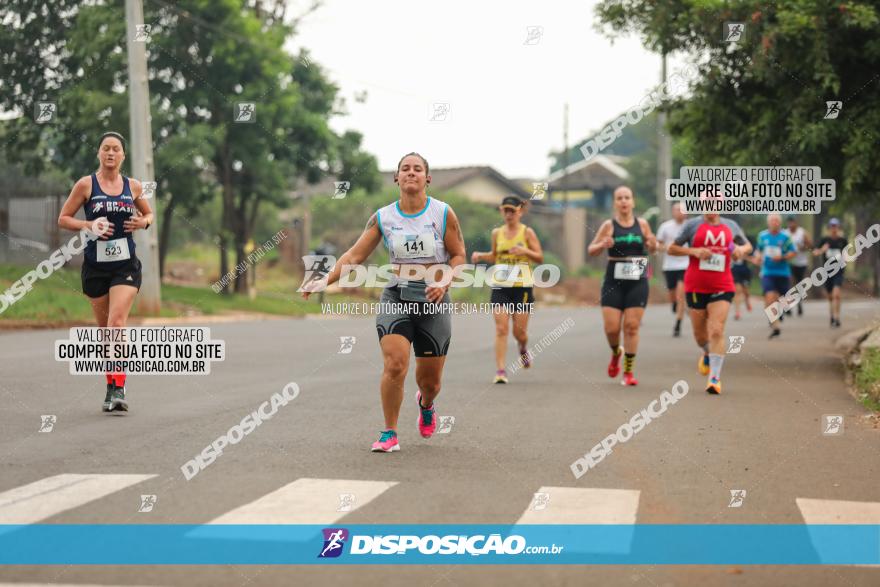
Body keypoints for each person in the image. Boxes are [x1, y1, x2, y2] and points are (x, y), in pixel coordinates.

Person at [302, 153, 466, 452]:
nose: (411, 173)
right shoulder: (384, 217)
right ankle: (389, 432)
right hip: (396, 296)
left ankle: (426, 404)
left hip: (433, 300)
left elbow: (458, 256)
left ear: (428, 178)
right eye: (405, 169)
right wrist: (325, 280)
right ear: (396, 177)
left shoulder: (443, 213)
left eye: (418, 169)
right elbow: (353, 256)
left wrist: (444, 281)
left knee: (430, 382)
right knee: (395, 364)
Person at [57, 132, 153, 412]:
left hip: (126, 266)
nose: (111, 153)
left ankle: (119, 388)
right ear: (99, 153)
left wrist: (142, 223)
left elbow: (149, 215)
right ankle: (110, 387)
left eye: (116, 149)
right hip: (95, 267)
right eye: (106, 149)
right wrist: (88, 225)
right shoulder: (86, 185)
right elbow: (63, 219)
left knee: (117, 324)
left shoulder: (133, 186)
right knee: (104, 332)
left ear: (123, 156)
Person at [668, 211, 752, 395]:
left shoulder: (731, 226)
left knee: (716, 329)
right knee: (700, 335)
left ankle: (714, 378)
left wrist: (740, 250)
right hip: (696, 286)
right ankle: (707, 352)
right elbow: (672, 249)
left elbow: (748, 246)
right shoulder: (692, 225)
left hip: (723, 284)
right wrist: (693, 251)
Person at [587, 186, 657, 386]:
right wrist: (602, 245)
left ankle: (628, 371)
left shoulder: (642, 224)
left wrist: (652, 243)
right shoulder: (608, 226)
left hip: (638, 278)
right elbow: (591, 249)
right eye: (620, 198)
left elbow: (654, 248)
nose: (624, 201)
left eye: (627, 197)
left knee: (632, 326)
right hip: (613, 280)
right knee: (611, 328)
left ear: (633, 201)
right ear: (615, 203)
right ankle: (616, 351)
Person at [471, 196, 543, 384]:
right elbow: (495, 257)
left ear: (520, 211)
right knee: (501, 329)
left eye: (513, 210)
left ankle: (523, 347)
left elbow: (540, 258)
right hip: (501, 286)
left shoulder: (527, 233)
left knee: (519, 333)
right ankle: (501, 370)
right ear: (501, 212)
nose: (509, 214)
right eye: (505, 210)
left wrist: (525, 252)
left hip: (522, 288)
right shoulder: (497, 233)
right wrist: (480, 256)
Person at [755, 214, 797, 339]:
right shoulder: (762, 236)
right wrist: (758, 256)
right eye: (772, 221)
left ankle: (777, 312)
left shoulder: (785, 236)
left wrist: (783, 257)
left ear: (780, 223)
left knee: (782, 300)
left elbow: (793, 252)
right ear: (768, 223)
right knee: (769, 297)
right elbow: (759, 250)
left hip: (783, 272)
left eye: (777, 221)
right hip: (767, 272)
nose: (774, 223)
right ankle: (776, 326)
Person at [655, 202, 689, 336]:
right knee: (672, 294)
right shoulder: (666, 227)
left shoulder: (690, 226)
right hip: (670, 266)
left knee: (681, 294)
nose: (680, 212)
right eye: (677, 210)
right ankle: (674, 303)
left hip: (685, 265)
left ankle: (678, 324)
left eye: (682, 210)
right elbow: (658, 244)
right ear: (672, 212)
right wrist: (668, 248)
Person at [813, 218, 847, 328]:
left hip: (838, 271)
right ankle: (832, 316)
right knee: (830, 297)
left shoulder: (843, 240)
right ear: (829, 227)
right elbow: (815, 252)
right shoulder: (824, 240)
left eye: (835, 226)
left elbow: (846, 254)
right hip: (827, 272)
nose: (834, 228)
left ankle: (837, 318)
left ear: (838, 227)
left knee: (836, 295)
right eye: (832, 226)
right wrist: (823, 249)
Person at [783, 215, 812, 317]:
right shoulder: (785, 233)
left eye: (792, 222)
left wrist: (803, 246)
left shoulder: (802, 232)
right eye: (789, 222)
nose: (791, 224)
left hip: (801, 263)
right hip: (789, 262)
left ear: (796, 223)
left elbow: (810, 246)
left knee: (799, 285)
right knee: (789, 284)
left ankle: (799, 304)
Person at [731, 242, 754, 320]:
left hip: (744, 271)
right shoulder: (729, 243)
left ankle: (747, 301)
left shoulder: (745, 244)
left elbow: (749, 254)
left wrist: (750, 259)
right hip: (734, 270)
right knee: (738, 291)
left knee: (746, 291)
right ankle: (737, 312)